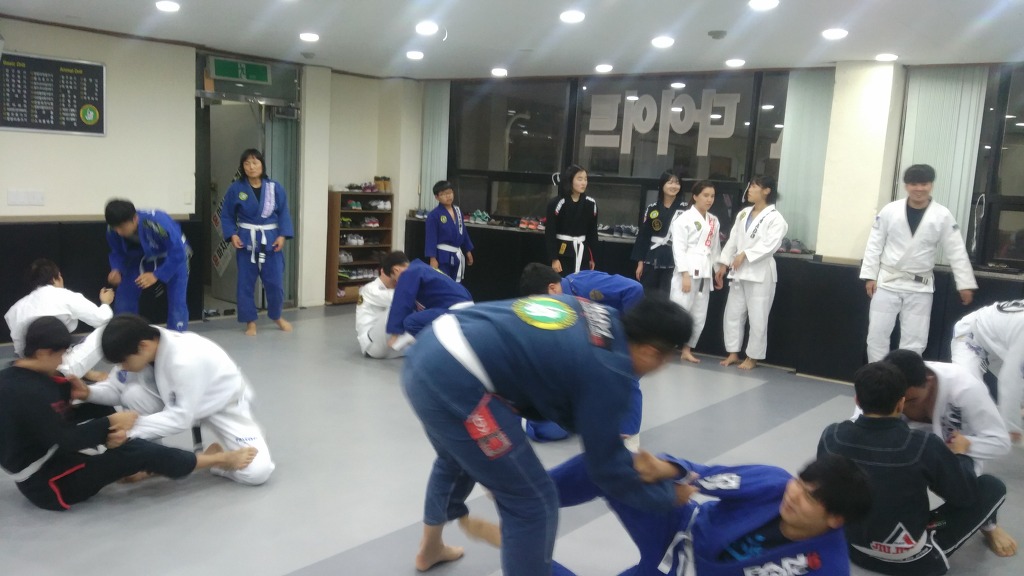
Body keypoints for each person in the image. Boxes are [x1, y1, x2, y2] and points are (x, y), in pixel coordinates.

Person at [402, 294, 693, 575]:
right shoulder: (610, 369)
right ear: (651, 351)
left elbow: (555, 379)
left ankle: (430, 548)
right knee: (532, 503)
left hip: (429, 347)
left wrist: (600, 430)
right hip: (454, 380)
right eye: (664, 360)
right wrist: (667, 497)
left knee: (454, 458)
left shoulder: (598, 313)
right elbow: (605, 471)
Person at [466, 452, 872, 576]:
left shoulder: (825, 567)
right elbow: (707, 475)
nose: (794, 494)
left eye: (810, 498)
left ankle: (515, 545)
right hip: (684, 527)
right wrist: (668, 470)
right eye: (800, 482)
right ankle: (523, 497)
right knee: (612, 465)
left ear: (835, 519)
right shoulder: (775, 482)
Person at [0, 317, 257, 511]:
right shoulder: (24, 392)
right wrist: (111, 424)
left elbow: (63, 415)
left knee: (105, 412)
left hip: (56, 454)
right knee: (137, 451)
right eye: (60, 354)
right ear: (43, 353)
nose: (62, 361)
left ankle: (136, 464)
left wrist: (86, 395)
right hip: (49, 483)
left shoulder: (34, 376)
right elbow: (65, 438)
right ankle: (217, 459)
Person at [818, 362, 1011, 574]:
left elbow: (825, 493)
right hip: (915, 561)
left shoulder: (832, 435)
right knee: (991, 486)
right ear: (901, 403)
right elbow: (964, 496)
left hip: (852, 548)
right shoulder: (923, 444)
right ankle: (979, 529)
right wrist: (960, 454)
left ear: (857, 400)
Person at [98, 314, 274, 486]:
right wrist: (87, 393)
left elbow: (180, 419)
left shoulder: (184, 359)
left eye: (123, 361)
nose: (122, 367)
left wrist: (128, 432)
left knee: (257, 472)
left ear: (143, 346)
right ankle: (148, 463)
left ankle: (211, 461)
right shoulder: (143, 340)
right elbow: (115, 387)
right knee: (133, 394)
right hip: (180, 402)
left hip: (223, 406)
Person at [883, 349, 1017, 557]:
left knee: (968, 487)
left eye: (911, 401)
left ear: (928, 381)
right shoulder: (882, 384)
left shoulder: (965, 388)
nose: (903, 407)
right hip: (907, 444)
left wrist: (967, 445)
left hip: (958, 445)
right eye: (898, 402)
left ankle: (987, 523)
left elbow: (1000, 442)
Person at [518, 263, 645, 447]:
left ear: (552, 288)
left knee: (623, 374)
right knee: (547, 430)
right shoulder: (558, 309)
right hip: (587, 357)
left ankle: (628, 436)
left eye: (542, 301)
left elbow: (634, 289)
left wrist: (627, 335)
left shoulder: (585, 283)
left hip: (620, 344)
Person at [860, 164, 977, 362]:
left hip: (920, 286)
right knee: (877, 335)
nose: (919, 189)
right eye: (914, 184)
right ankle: (877, 377)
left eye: (924, 184)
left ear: (931, 185)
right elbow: (874, 244)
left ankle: (907, 378)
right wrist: (870, 276)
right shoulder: (890, 210)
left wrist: (964, 283)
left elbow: (956, 250)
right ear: (906, 186)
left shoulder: (942, 215)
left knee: (915, 341)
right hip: (887, 282)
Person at [220, 148, 295, 336]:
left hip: (271, 239)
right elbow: (227, 215)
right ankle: (250, 321)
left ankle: (276, 316)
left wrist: (283, 235)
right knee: (245, 283)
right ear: (242, 167)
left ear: (262, 165)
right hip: (247, 240)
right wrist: (232, 235)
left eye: (255, 162)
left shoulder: (274, 187)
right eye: (247, 163)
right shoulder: (236, 189)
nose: (251, 167)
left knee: (275, 282)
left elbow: (284, 212)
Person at [716, 175, 788, 370]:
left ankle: (753, 356)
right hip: (738, 271)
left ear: (766, 191)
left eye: (754, 186)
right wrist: (723, 263)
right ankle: (733, 352)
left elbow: (770, 245)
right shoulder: (743, 214)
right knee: (733, 314)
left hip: (760, 273)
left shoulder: (776, 218)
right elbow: (733, 240)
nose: (749, 190)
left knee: (758, 317)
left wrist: (745, 254)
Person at [4, 259, 113, 376]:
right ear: (56, 278)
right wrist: (105, 303)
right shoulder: (65, 296)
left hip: (31, 369)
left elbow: (20, 350)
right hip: (63, 368)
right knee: (108, 327)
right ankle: (79, 373)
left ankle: (84, 372)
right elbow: (102, 319)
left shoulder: (14, 310)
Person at [105, 198, 191, 331]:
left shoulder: (157, 222)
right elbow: (117, 251)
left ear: (135, 219)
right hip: (141, 257)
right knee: (124, 298)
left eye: (122, 227)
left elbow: (178, 252)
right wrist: (116, 269)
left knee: (177, 302)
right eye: (116, 228)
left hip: (174, 256)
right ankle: (125, 333)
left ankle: (177, 336)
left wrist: (157, 275)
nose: (119, 232)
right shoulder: (113, 228)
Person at [950, 299, 1024, 441]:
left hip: (1002, 342)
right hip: (971, 336)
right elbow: (1010, 381)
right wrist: (1011, 427)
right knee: (967, 391)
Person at [670, 180, 724, 363]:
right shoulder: (683, 219)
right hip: (687, 270)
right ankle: (665, 346)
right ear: (695, 196)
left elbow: (715, 249)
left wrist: (717, 270)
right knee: (679, 310)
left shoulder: (713, 220)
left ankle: (687, 349)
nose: (709, 199)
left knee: (699, 314)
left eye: (712, 196)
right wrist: (684, 274)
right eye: (705, 195)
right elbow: (678, 249)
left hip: (705, 272)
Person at [385, 258, 473, 350]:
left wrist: (394, 335)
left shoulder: (409, 272)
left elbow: (401, 303)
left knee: (411, 322)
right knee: (418, 318)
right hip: (466, 309)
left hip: (455, 310)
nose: (397, 283)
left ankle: (437, 349)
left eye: (395, 279)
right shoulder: (427, 269)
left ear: (396, 270)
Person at [631, 170, 685, 295]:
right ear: (662, 185)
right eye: (670, 182)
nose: (674, 186)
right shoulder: (652, 208)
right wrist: (640, 262)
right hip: (652, 256)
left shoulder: (686, 208)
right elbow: (643, 236)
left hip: (674, 257)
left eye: (677, 183)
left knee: (668, 295)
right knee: (648, 293)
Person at [545, 164, 598, 276]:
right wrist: (554, 258)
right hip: (562, 253)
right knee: (562, 283)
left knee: (581, 284)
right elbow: (550, 232)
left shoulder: (591, 203)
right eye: (579, 179)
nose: (583, 183)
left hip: (583, 254)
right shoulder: (557, 203)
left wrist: (592, 258)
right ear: (570, 180)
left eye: (585, 179)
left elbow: (592, 233)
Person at [356, 251, 410, 359]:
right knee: (401, 306)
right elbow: (400, 299)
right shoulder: (370, 289)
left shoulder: (395, 288)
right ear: (383, 271)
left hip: (389, 344)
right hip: (372, 345)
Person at [425, 180, 474, 283]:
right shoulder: (434, 215)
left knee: (456, 284)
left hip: (456, 254)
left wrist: (468, 250)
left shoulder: (458, 211)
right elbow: (431, 238)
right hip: (441, 255)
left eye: (450, 192)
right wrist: (432, 258)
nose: (448, 196)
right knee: (443, 283)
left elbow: (463, 232)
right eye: (443, 194)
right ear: (437, 197)